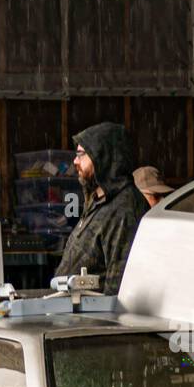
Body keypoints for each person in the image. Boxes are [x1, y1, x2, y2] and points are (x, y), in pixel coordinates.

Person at [55, 122, 148, 293]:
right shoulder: (98, 202)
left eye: (82, 154)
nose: (75, 161)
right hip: (75, 313)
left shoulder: (124, 208)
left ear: (103, 157)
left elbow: (119, 286)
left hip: (96, 317)